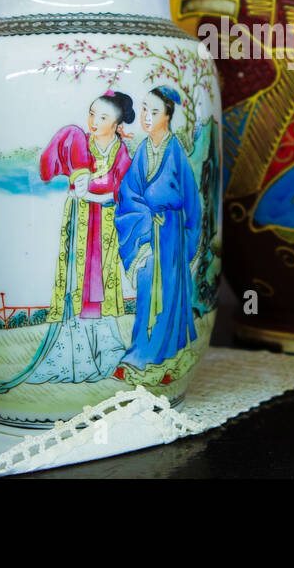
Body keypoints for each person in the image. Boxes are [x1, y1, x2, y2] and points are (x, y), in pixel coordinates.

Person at [26, 91, 135, 383]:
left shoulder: (120, 151)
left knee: (101, 279)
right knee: (77, 279)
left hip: (106, 223)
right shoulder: (79, 141)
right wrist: (80, 186)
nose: (94, 122)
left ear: (117, 123)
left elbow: (121, 185)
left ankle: (107, 351)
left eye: (103, 117)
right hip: (80, 221)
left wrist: (96, 189)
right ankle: (74, 355)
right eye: (91, 114)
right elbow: (55, 169)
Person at [114, 86, 202, 382]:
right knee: (146, 291)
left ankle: (164, 357)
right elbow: (128, 192)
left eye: (154, 111)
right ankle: (140, 350)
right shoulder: (143, 151)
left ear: (168, 116)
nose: (146, 117)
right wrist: (144, 218)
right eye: (143, 110)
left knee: (169, 293)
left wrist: (188, 244)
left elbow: (192, 203)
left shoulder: (175, 152)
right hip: (147, 235)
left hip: (172, 234)